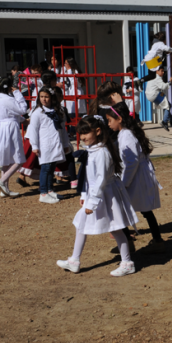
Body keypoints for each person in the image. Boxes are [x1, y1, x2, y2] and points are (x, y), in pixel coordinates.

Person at [56, 115, 138, 277]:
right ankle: (74, 260)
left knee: (116, 229)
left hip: (106, 196)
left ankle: (127, 263)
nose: (83, 137)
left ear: (98, 131)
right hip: (97, 195)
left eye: (86, 133)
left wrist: (91, 203)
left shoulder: (101, 153)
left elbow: (100, 179)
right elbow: (90, 177)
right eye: (81, 133)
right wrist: (85, 195)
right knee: (81, 224)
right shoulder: (94, 150)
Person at [107, 102, 165, 250]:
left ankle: (128, 243)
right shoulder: (127, 132)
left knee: (121, 208)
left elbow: (132, 162)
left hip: (135, 179)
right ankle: (156, 240)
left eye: (110, 120)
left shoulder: (126, 135)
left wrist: (124, 183)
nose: (108, 124)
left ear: (119, 119)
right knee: (143, 210)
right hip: (137, 177)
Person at [26, 71, 71, 204]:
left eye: (46, 96)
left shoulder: (57, 112)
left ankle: (50, 190)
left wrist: (65, 143)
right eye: (41, 96)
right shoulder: (37, 113)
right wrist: (34, 145)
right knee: (45, 168)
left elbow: (62, 130)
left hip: (55, 143)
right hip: (44, 144)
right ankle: (43, 192)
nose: (44, 99)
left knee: (52, 167)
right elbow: (33, 130)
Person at [0, 77, 27, 198]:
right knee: (19, 160)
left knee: (5, 159)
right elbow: (22, 109)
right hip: (10, 129)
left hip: (0, 128)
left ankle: (5, 189)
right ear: (9, 87)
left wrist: (22, 120)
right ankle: (3, 180)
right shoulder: (9, 99)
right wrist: (17, 93)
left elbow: (8, 113)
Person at [145, 66, 172, 131]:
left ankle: (171, 120)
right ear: (157, 71)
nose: (163, 72)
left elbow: (162, 87)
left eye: (163, 71)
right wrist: (169, 82)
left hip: (149, 95)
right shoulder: (157, 78)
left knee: (167, 105)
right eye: (161, 71)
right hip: (154, 94)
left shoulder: (153, 77)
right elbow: (163, 86)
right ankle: (164, 122)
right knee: (168, 106)